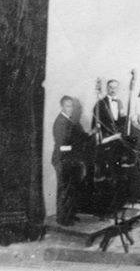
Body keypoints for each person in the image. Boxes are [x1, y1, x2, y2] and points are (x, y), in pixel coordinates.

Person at [52, 96, 89, 226]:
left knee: (71, 189)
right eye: (68, 106)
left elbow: (77, 137)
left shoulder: (70, 120)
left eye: (72, 106)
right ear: (62, 106)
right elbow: (62, 146)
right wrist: (76, 147)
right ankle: (63, 219)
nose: (71, 108)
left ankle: (70, 214)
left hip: (70, 160)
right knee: (64, 190)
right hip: (62, 160)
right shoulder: (61, 122)